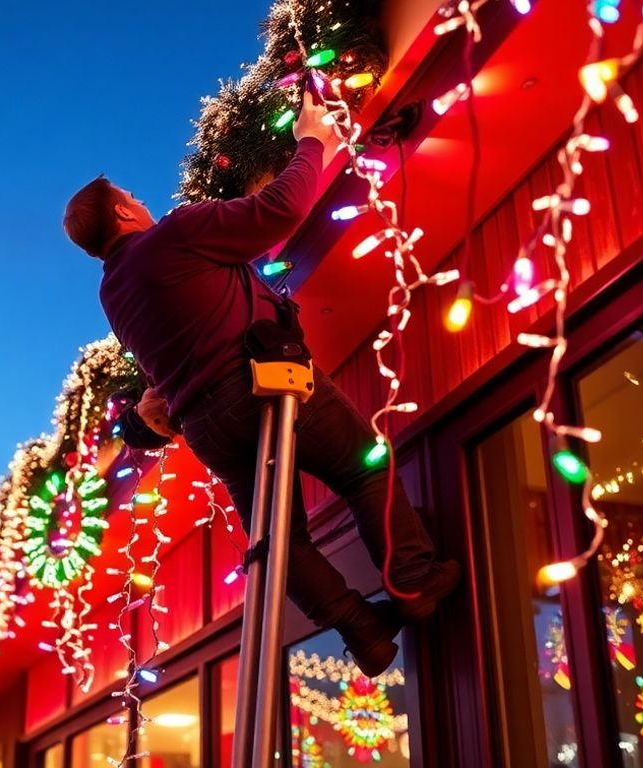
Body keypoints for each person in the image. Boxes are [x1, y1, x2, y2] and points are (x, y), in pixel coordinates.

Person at [62, 91, 460, 676]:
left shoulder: (113, 296)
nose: (143, 203)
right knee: (361, 468)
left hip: (206, 426)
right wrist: (312, 139)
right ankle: (413, 579)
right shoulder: (172, 235)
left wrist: (156, 399)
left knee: (277, 536)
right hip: (262, 382)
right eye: (133, 198)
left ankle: (363, 631)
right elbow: (280, 210)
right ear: (122, 214)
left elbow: (160, 363)